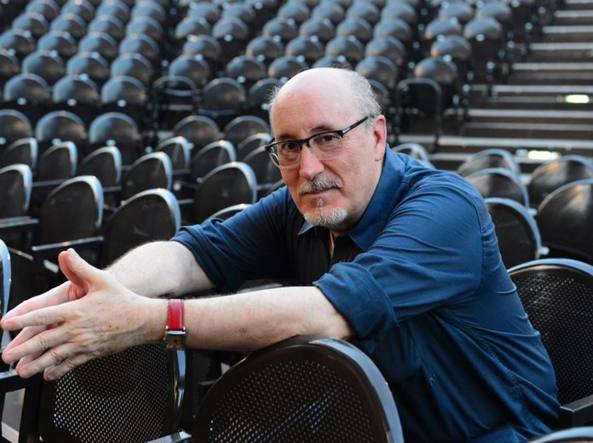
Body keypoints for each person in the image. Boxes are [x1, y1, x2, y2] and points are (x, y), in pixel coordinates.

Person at [2, 68, 558, 442]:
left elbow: (328, 312)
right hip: (375, 419)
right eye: (289, 146)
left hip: (492, 431)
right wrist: (101, 289)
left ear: (378, 135)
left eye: (327, 137)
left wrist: (148, 321)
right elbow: (193, 253)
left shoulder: (444, 207)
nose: (308, 167)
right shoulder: (302, 205)